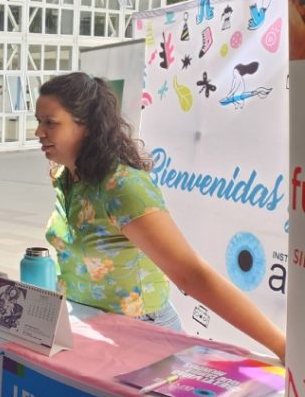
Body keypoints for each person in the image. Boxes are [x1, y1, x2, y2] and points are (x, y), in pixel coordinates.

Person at [35, 73, 286, 359]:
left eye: (50, 123)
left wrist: (280, 345)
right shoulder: (65, 178)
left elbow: (191, 274)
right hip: (89, 331)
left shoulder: (122, 186)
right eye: (39, 121)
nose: (38, 132)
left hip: (140, 336)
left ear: (88, 126)